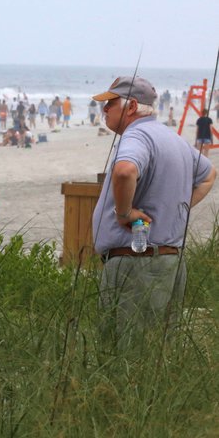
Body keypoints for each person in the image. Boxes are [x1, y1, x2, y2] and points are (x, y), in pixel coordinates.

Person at [91, 76, 216, 352]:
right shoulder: (173, 139)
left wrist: (124, 213)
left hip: (136, 263)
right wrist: (177, 208)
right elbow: (208, 174)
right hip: (170, 262)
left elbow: (125, 171)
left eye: (110, 104)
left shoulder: (136, 136)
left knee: (124, 354)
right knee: (158, 353)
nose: (105, 111)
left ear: (132, 106)